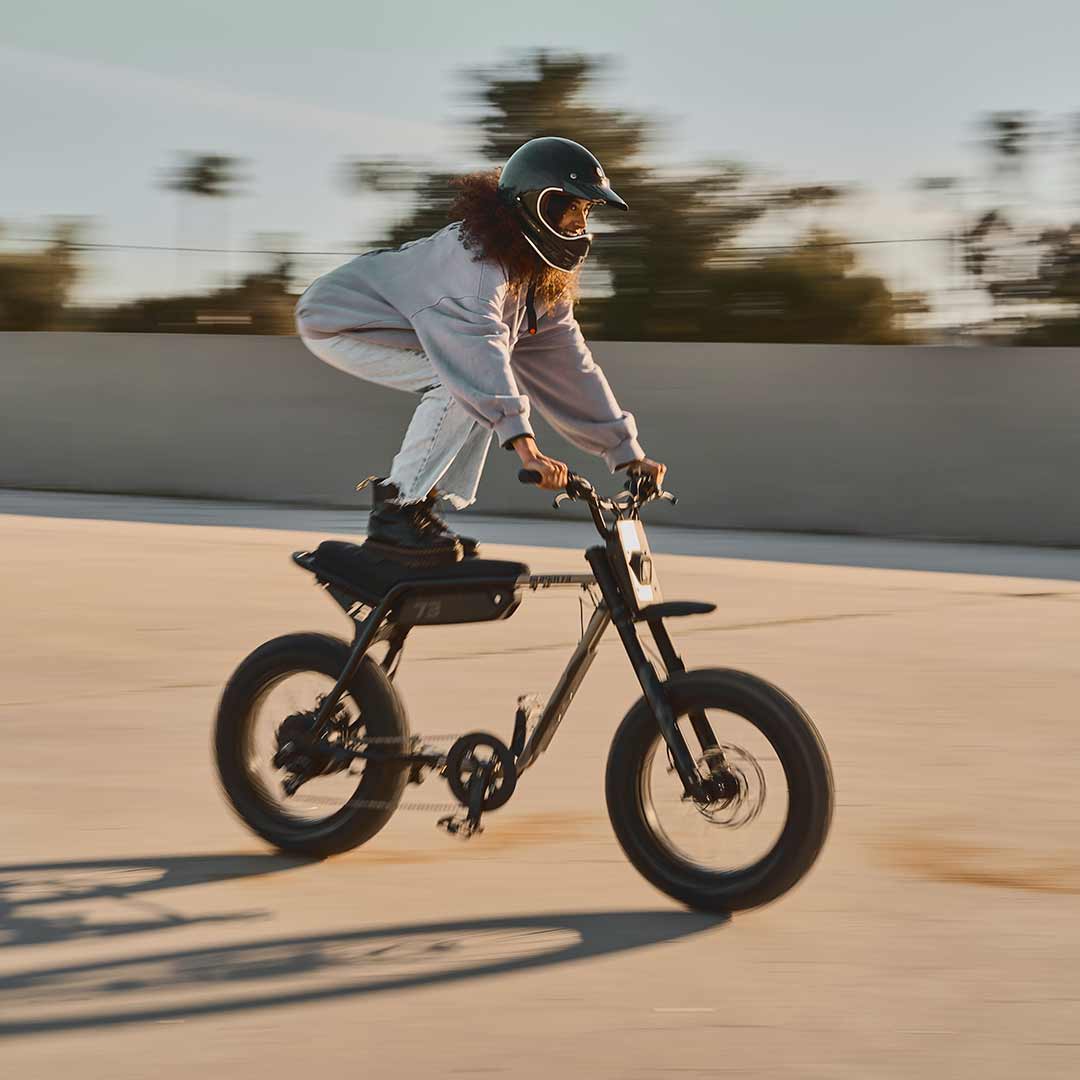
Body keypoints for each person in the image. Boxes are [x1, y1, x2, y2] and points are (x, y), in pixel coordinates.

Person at [295, 136, 666, 561]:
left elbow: (570, 368)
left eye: (585, 212)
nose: (577, 224)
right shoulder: (474, 264)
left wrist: (625, 453)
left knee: (473, 385)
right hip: (337, 319)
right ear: (535, 205)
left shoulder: (537, 282)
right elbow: (477, 356)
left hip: (407, 326)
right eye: (570, 208)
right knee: (460, 382)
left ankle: (418, 506)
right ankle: (397, 513)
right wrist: (527, 450)